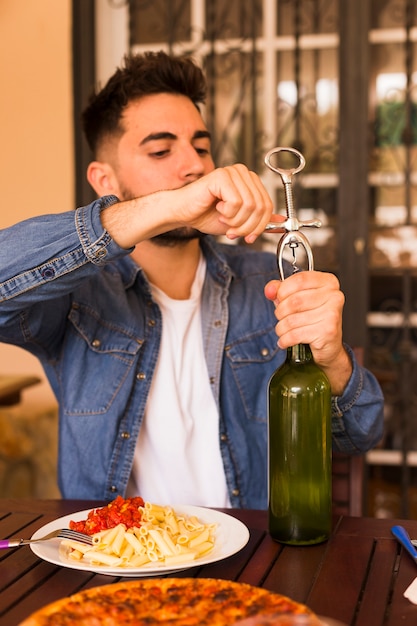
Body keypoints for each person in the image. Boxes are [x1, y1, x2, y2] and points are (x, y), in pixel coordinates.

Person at [0, 51, 383, 508]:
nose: (195, 166)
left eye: (201, 148)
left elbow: (359, 435)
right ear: (105, 181)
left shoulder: (269, 281)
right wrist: (170, 205)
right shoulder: (76, 296)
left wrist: (333, 361)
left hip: (250, 562)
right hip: (117, 566)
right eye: (161, 151)